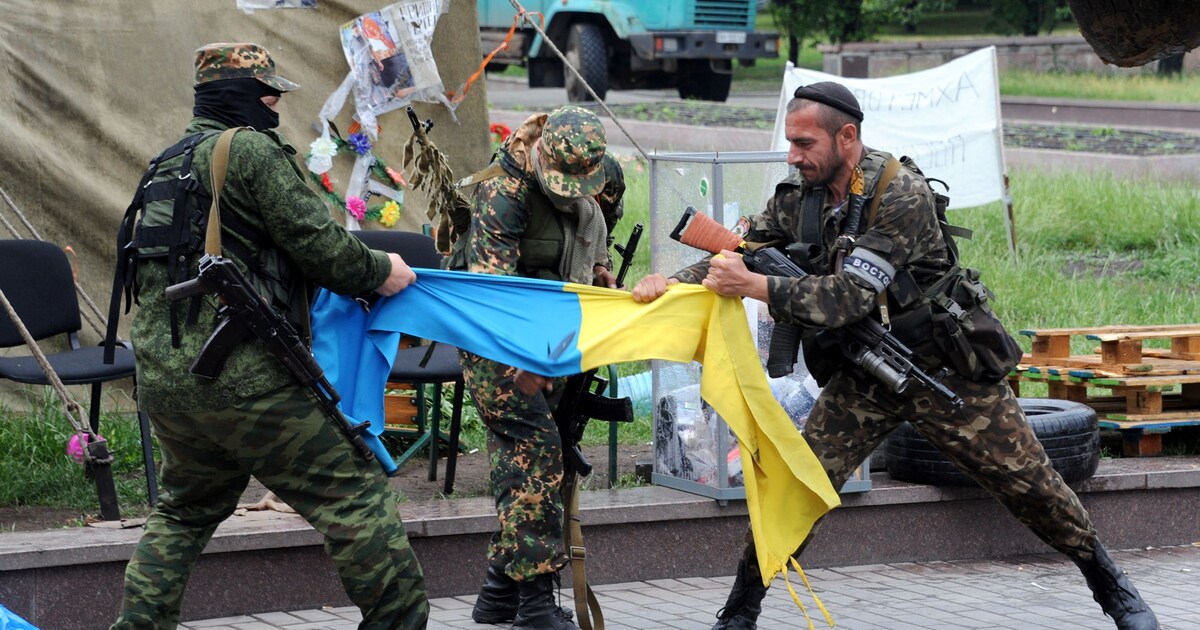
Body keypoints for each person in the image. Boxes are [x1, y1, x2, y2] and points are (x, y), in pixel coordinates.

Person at [632, 82, 1160, 630]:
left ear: (848, 136)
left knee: (1030, 483)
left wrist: (755, 287)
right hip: (866, 373)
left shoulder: (899, 195)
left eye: (805, 143)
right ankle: (740, 612)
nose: (793, 156)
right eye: (790, 143)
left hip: (941, 367)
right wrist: (667, 286)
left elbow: (847, 298)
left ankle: (1114, 591)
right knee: (795, 490)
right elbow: (740, 253)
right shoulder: (798, 199)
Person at [110, 43, 428, 629]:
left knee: (183, 512)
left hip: (167, 383)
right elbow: (321, 247)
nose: (277, 102)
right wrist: (382, 271)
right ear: (235, 96)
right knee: (355, 496)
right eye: (268, 91)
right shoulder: (248, 150)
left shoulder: (166, 162)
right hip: (247, 381)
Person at [455, 106, 621, 630]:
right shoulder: (504, 191)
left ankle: (498, 595)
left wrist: (602, 277)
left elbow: (590, 248)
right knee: (536, 451)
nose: (572, 190)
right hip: (492, 338)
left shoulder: (592, 186)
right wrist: (527, 358)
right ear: (542, 150)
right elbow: (492, 293)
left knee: (534, 455)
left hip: (553, 337)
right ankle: (535, 607)